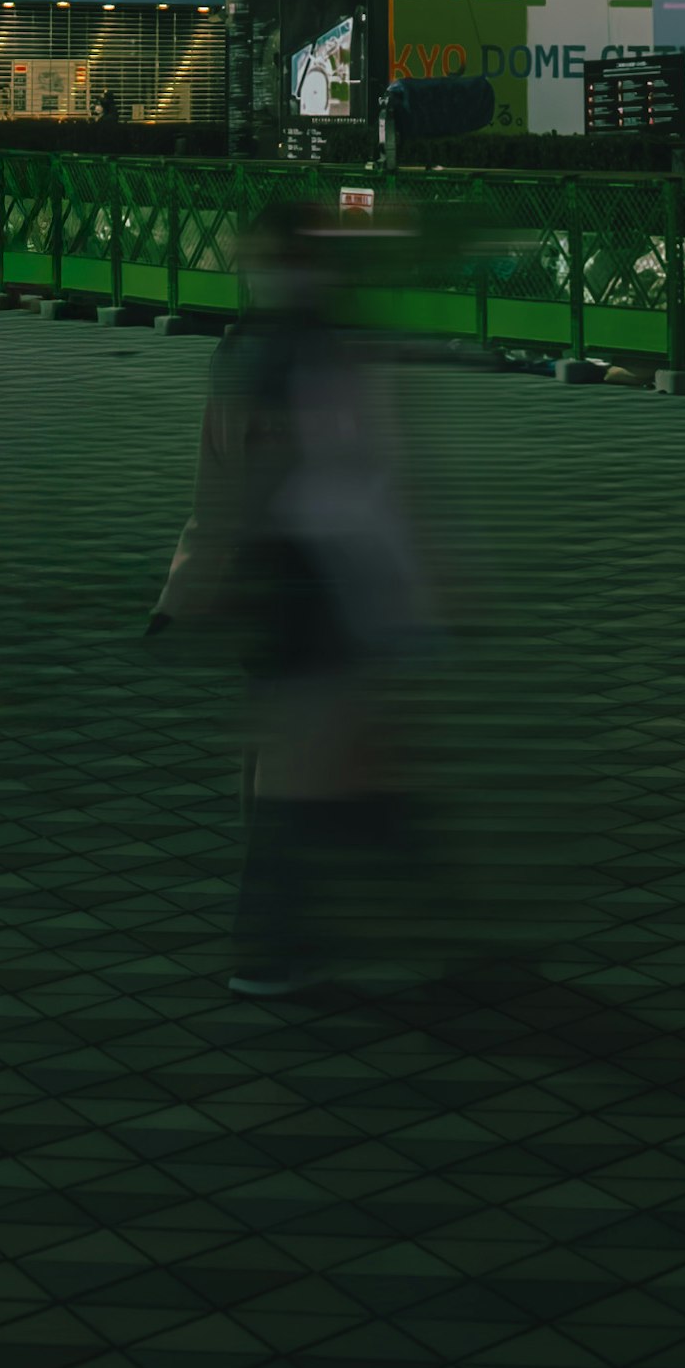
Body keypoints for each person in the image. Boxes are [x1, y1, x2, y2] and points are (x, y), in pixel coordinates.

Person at [151, 202, 445, 997]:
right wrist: (411, 597)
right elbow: (372, 487)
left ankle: (394, 921)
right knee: (315, 769)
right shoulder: (328, 353)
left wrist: (186, 587)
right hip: (321, 590)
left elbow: (218, 489)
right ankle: (284, 942)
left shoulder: (248, 353)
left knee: (325, 762)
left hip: (276, 589)